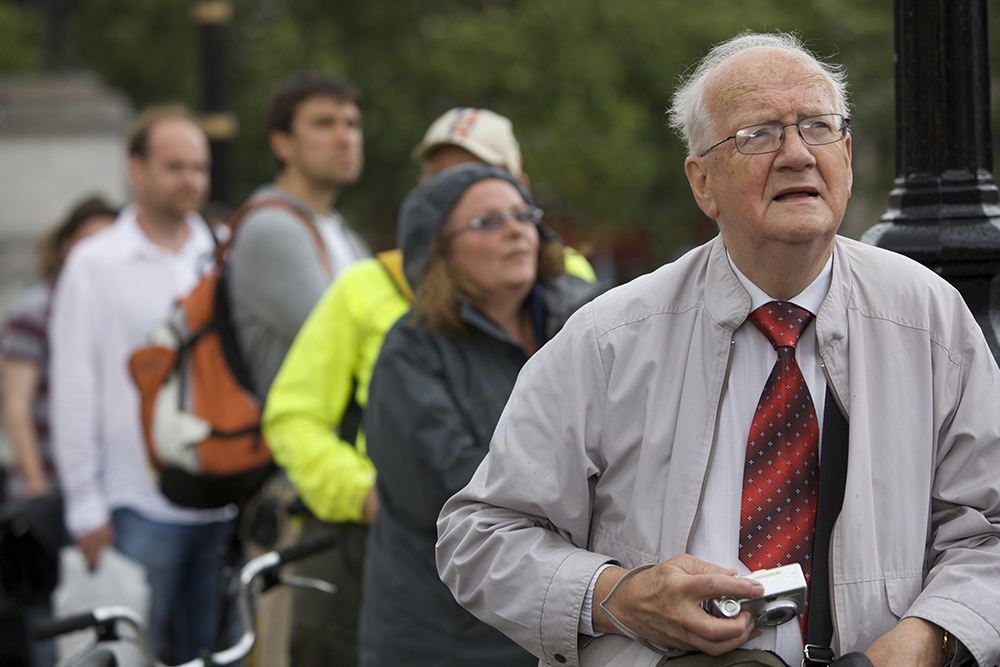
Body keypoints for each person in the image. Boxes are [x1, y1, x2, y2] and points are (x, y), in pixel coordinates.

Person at [437, 31, 1000, 667]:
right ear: (702, 182)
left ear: (846, 153)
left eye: (817, 127)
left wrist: (930, 636)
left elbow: (991, 528)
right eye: (758, 133)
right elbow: (479, 537)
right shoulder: (610, 337)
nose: (796, 155)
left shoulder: (928, 319)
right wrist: (616, 594)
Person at [261, 106, 597, 666]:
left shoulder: (585, 301)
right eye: (440, 177)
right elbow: (294, 416)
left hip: (565, 604)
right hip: (439, 604)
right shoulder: (381, 309)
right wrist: (364, 496)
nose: (512, 228)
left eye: (516, 209)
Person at [359, 162, 603, 665]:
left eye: (521, 214)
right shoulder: (410, 352)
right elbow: (451, 488)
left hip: (569, 622)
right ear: (439, 250)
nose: (516, 229)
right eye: (488, 221)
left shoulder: (591, 323)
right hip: (448, 634)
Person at [48, 107, 235, 663]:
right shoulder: (94, 263)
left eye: (199, 167)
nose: (191, 180)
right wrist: (85, 504)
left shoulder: (223, 254)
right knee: (129, 655)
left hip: (222, 498)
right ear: (136, 169)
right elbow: (73, 386)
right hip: (134, 500)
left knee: (212, 654)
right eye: (175, 166)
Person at [1, 196, 116, 667]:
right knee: (52, 624)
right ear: (66, 246)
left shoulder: (116, 307)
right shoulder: (38, 309)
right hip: (50, 489)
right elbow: (17, 405)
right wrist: (36, 487)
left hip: (108, 490)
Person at [227, 73, 370, 403]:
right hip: (290, 449)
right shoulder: (270, 229)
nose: (345, 137)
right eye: (324, 124)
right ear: (282, 143)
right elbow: (341, 343)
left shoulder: (339, 231)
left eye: (352, 124)